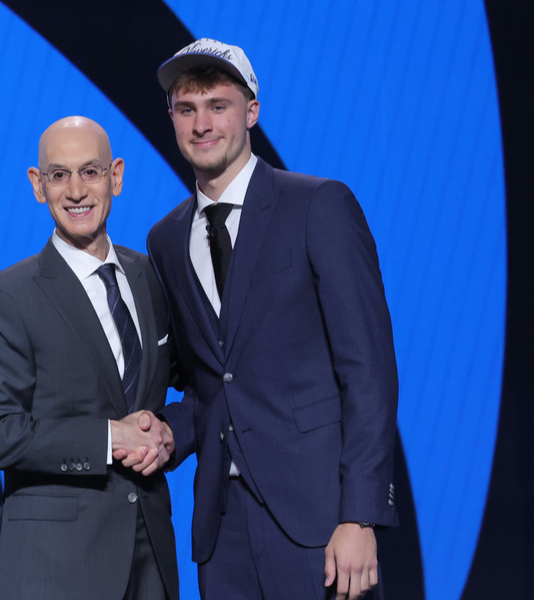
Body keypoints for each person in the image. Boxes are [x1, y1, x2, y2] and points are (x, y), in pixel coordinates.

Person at [137, 38, 400, 600]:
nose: (201, 123)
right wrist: (163, 433)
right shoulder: (165, 238)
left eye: (218, 105)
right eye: (187, 109)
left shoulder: (319, 205)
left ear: (251, 111)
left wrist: (360, 516)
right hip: (222, 526)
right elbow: (209, 383)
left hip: (320, 521)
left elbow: (368, 370)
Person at [0, 116, 179, 600]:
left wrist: (169, 432)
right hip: (54, 567)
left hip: (150, 559)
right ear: (38, 186)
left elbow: (195, 384)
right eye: (59, 175)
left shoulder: (150, 280)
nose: (76, 190)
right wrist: (109, 438)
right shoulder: (5, 298)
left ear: (116, 176)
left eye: (91, 172)